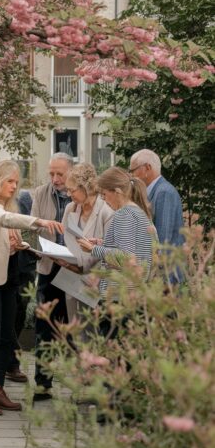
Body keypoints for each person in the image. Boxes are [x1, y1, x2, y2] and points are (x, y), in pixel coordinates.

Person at [0, 160, 63, 415]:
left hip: (8, 281)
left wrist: (20, 247)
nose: (14, 187)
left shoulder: (4, 205)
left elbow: (4, 238)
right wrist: (39, 222)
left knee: (5, 338)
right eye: (9, 181)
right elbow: (3, 219)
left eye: (16, 182)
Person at [77, 167, 155, 311]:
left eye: (104, 194)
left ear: (117, 192)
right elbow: (138, 250)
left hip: (119, 296)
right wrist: (103, 243)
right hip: (136, 293)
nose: (104, 200)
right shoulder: (140, 213)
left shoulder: (123, 214)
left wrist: (93, 249)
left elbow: (126, 258)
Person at [31, 152, 73, 400]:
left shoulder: (81, 194)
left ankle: (84, 383)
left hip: (74, 268)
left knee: (76, 326)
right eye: (52, 173)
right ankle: (42, 383)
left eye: (60, 174)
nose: (55, 179)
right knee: (43, 326)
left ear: (70, 172)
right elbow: (34, 227)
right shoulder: (40, 193)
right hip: (49, 266)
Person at [59, 163, 114, 320]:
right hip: (71, 276)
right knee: (75, 327)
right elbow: (66, 239)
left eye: (72, 190)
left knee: (92, 330)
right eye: (67, 189)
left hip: (95, 279)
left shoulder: (106, 211)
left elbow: (111, 249)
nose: (69, 194)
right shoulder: (71, 208)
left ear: (86, 187)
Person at [5, 190, 37, 383]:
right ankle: (10, 363)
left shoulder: (26, 198)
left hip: (25, 264)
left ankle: (11, 362)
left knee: (20, 312)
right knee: (9, 314)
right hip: (8, 264)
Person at [129, 149, 184, 247]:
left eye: (133, 170)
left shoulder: (164, 192)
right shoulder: (156, 191)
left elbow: (162, 239)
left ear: (147, 168)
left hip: (167, 261)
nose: (131, 176)